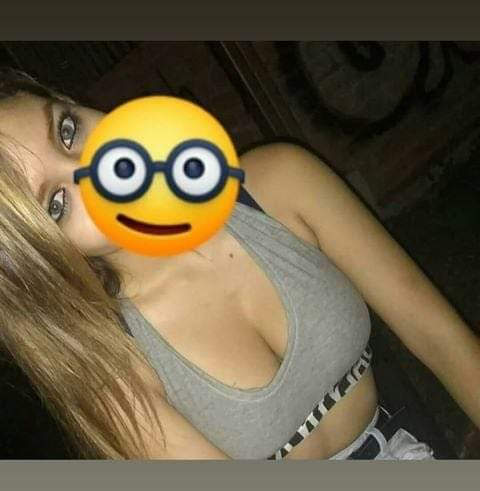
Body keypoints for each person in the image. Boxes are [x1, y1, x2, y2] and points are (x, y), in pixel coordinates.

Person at [0, 67, 478, 460]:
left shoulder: (281, 181)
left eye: (67, 130)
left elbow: (440, 338)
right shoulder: (111, 366)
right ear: (47, 258)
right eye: (57, 204)